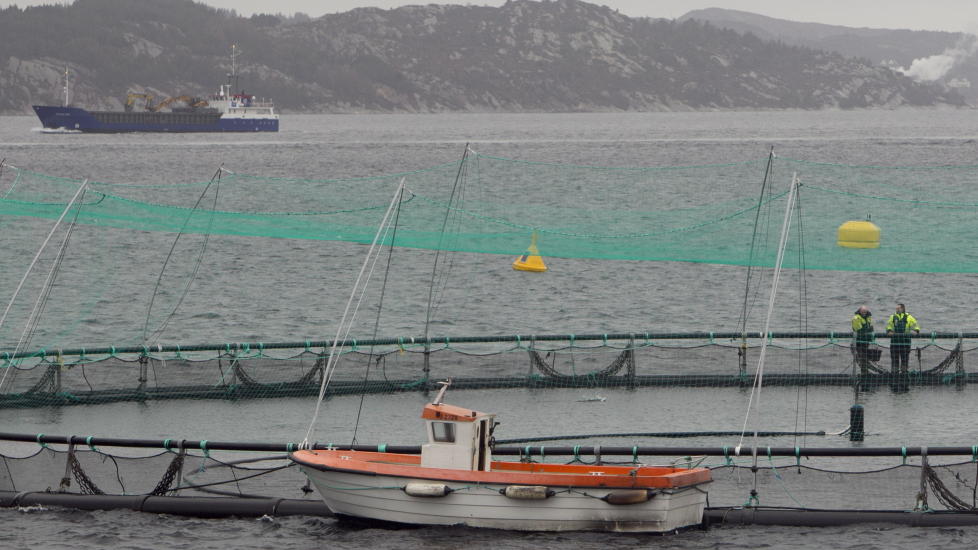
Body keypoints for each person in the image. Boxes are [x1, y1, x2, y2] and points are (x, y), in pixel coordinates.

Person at [886, 303, 920, 375]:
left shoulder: (909, 317)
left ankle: (904, 374)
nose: (897, 310)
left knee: (904, 359)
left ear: (903, 309)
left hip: (905, 342)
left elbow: (916, 326)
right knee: (894, 359)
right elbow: (889, 326)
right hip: (895, 342)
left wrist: (916, 331)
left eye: (898, 308)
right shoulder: (892, 317)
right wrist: (889, 331)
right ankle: (894, 374)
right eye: (896, 309)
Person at [851, 306, 874, 375]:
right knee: (862, 359)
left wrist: (871, 338)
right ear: (860, 311)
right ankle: (864, 373)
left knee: (865, 358)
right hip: (858, 342)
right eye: (863, 311)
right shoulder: (856, 318)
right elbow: (859, 330)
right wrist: (869, 330)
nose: (864, 313)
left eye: (865, 311)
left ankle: (865, 373)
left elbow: (871, 328)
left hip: (866, 342)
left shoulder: (869, 317)